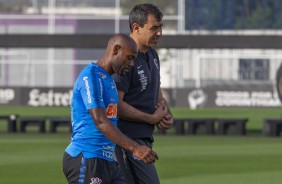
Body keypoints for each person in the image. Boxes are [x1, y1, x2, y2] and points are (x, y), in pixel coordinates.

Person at [63, 34, 162, 184]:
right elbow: (101, 121)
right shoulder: (90, 76)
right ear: (116, 50)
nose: (132, 64)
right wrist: (135, 148)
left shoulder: (108, 80)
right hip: (88, 157)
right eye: (129, 58)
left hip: (108, 161)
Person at [112, 4, 174, 184]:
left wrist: (166, 113)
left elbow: (156, 90)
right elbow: (115, 104)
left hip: (144, 140)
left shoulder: (153, 55)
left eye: (161, 27)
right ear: (136, 28)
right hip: (125, 141)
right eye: (154, 28)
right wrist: (150, 118)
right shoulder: (124, 57)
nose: (160, 33)